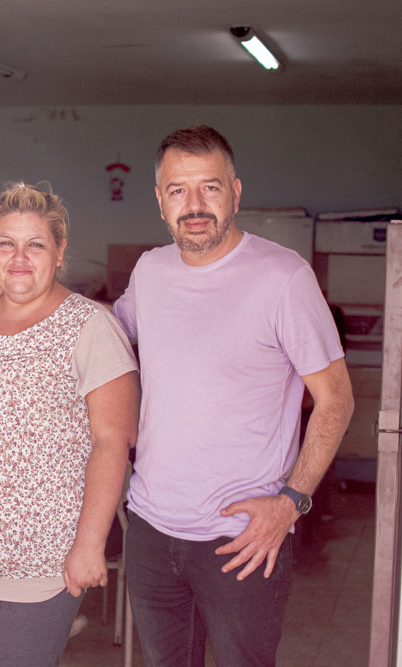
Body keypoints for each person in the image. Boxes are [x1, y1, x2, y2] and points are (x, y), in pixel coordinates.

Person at [112, 125, 355, 667]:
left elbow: (336, 401)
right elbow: (102, 329)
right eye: (178, 190)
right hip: (151, 528)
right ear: (160, 200)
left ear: (236, 192)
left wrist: (290, 503)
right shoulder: (151, 270)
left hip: (243, 538)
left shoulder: (284, 277)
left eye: (210, 187)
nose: (194, 205)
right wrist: (10, 296)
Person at [0, 182, 140, 667]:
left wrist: (89, 544)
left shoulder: (89, 325)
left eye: (36, 245)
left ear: (60, 252)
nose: (19, 257)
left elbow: (113, 441)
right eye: (7, 243)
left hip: (44, 557)